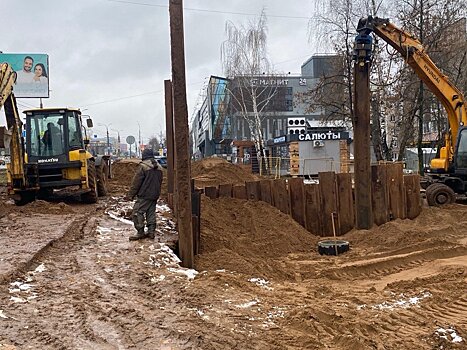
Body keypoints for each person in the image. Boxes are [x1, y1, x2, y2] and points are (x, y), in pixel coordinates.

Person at [126, 149, 163, 241]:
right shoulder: (159, 167)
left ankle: (140, 232)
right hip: (155, 194)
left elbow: (136, 183)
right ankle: (151, 232)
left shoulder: (143, 167)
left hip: (144, 195)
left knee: (137, 212)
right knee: (151, 212)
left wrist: (131, 195)